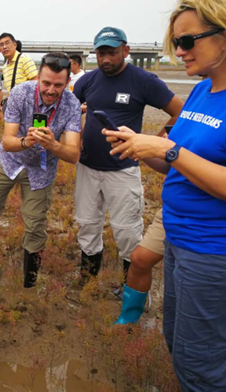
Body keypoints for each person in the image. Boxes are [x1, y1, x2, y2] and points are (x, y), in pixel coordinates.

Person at [104, 0, 226, 392]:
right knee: (177, 344)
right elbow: (176, 165)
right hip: (180, 241)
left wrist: (167, 148)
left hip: (219, 252)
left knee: (200, 367)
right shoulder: (201, 89)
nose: (178, 52)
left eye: (186, 41)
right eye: (174, 42)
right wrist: (141, 147)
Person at [73, 27, 183, 283]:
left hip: (122, 169)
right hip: (88, 167)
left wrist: (154, 142)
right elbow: (69, 111)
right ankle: (87, 279)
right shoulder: (87, 81)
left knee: (127, 229)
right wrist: (75, 137)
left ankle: (129, 284)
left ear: (126, 50)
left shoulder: (143, 80)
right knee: (87, 223)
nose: (105, 59)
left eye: (112, 53)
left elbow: (180, 111)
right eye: (101, 53)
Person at [0, 53, 81, 286]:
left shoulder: (72, 105)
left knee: (36, 224)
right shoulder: (20, 93)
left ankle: (30, 282)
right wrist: (26, 142)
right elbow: (8, 141)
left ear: (67, 82)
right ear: (37, 77)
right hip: (9, 160)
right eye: (46, 83)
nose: (51, 90)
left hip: (41, 169)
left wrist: (53, 145)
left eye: (58, 85)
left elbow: (73, 154)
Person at [0, 33, 38, 97]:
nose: (4, 47)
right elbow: (9, 90)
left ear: (15, 45)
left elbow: (36, 83)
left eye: (7, 43)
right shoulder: (5, 67)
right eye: (1, 45)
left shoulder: (24, 59)